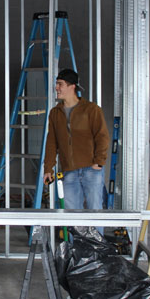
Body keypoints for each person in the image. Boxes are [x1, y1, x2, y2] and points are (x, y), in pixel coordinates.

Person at [43, 69, 110, 211]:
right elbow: (52, 142)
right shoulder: (55, 113)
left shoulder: (91, 109)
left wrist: (99, 162)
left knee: (95, 211)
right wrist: (48, 168)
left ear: (72, 86)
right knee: (71, 213)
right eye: (57, 84)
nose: (56, 88)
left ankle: (95, 229)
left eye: (60, 84)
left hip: (91, 170)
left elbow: (102, 136)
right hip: (69, 171)